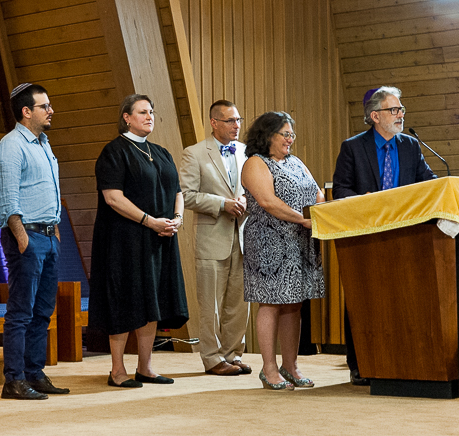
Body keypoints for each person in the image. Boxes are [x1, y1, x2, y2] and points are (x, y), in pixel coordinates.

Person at [332, 86, 436, 385]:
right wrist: (365, 200)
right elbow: (341, 190)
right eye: (394, 110)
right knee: (364, 298)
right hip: (367, 237)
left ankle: (402, 358)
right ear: (375, 116)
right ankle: (360, 364)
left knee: (404, 298)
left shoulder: (410, 146)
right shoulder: (353, 147)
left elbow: (427, 182)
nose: (401, 114)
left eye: (401, 109)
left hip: (407, 236)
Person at [89, 94, 189, 388]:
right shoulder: (114, 152)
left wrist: (177, 219)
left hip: (160, 239)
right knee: (124, 300)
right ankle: (117, 370)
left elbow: (177, 192)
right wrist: (149, 221)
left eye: (152, 111)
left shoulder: (161, 152)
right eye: (143, 112)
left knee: (153, 300)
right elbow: (113, 197)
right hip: (124, 240)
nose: (150, 116)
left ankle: (145, 367)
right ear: (126, 117)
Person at [0, 83, 69, 400]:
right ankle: (14, 379)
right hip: (27, 237)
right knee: (21, 311)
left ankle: (34, 373)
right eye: (44, 106)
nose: (50, 110)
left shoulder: (43, 144)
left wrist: (56, 231)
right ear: (26, 111)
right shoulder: (11, 147)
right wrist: (22, 239)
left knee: (42, 311)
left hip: (49, 236)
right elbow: (8, 201)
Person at [241, 111, 325, 390]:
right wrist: (302, 218)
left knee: (294, 304)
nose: (290, 139)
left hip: (301, 241)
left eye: (292, 134)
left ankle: (291, 366)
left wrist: (318, 211)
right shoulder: (255, 163)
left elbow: (317, 192)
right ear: (268, 136)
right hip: (269, 243)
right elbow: (267, 201)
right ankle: (268, 369)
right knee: (271, 302)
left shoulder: (296, 162)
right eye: (285, 134)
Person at [179, 100, 250, 376]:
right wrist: (222, 204)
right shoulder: (194, 153)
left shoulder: (246, 151)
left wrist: (244, 198)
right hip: (212, 236)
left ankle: (233, 353)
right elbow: (187, 195)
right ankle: (212, 358)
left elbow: (252, 187)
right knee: (211, 304)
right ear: (214, 123)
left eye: (238, 119)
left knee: (238, 302)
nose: (237, 125)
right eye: (231, 120)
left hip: (242, 236)